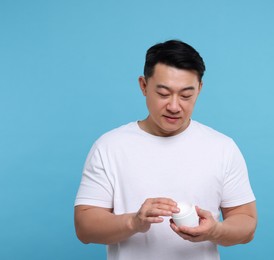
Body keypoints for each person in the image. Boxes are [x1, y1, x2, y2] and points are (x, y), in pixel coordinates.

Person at [74, 40, 257, 260]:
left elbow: (246, 223)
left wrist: (214, 231)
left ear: (199, 89)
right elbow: (84, 227)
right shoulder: (109, 146)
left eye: (186, 95)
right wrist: (134, 221)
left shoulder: (222, 147)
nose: (174, 106)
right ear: (143, 86)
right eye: (163, 93)